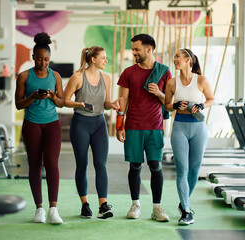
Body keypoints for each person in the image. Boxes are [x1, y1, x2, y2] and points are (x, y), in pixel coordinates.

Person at [115, 34, 171, 222]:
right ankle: (135, 204)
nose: (134, 53)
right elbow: (123, 101)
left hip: (155, 127)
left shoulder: (164, 71)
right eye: (133, 49)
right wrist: (119, 125)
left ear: (149, 49)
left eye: (137, 49)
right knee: (135, 165)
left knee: (156, 165)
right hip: (133, 127)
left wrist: (159, 93)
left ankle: (157, 208)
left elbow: (169, 102)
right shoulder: (128, 72)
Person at [15, 32, 64, 224]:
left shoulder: (56, 76)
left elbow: (60, 103)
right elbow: (19, 104)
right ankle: (39, 209)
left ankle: (53, 209)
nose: (42, 63)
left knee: (51, 163)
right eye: (39, 59)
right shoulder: (24, 76)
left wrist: (52, 97)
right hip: (32, 123)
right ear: (32, 57)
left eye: (46, 60)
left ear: (50, 59)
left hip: (52, 123)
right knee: (35, 164)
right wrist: (33, 97)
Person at [64, 46, 119, 219]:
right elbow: (64, 101)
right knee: (82, 165)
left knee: (101, 164)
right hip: (80, 123)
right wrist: (79, 104)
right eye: (103, 57)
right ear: (93, 59)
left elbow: (107, 102)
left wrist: (114, 104)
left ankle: (103, 205)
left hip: (99, 123)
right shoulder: (77, 77)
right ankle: (85, 204)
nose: (106, 60)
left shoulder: (107, 78)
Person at [165, 48, 214, 225]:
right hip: (179, 127)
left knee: (194, 170)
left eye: (178, 56)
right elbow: (167, 106)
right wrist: (175, 104)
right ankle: (186, 210)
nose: (175, 59)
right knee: (182, 170)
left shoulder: (201, 80)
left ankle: (184, 200)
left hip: (199, 128)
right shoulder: (172, 83)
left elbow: (211, 99)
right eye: (174, 56)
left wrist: (201, 105)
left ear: (188, 60)